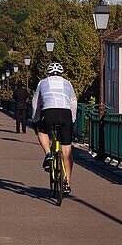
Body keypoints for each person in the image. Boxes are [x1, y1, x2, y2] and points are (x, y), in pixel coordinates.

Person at [30, 62, 77, 193]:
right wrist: (72, 119)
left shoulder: (42, 83)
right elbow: (73, 101)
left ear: (48, 73)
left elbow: (36, 102)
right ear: (61, 73)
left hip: (49, 112)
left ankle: (48, 153)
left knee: (41, 130)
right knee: (67, 151)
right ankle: (67, 182)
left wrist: (35, 119)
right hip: (65, 113)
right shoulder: (68, 83)